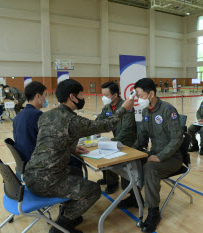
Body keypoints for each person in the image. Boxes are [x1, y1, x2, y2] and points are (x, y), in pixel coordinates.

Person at [23, 79, 134, 233]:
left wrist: (71, 147)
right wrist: (123, 109)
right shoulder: (73, 120)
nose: (83, 97)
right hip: (47, 182)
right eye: (81, 94)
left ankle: (69, 212)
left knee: (76, 172)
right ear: (72, 97)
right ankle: (61, 226)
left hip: (30, 174)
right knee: (94, 190)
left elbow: (51, 140)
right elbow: (107, 125)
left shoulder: (46, 116)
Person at [119, 78, 183, 232]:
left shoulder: (168, 110)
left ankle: (153, 212)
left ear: (151, 94)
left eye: (140, 96)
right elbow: (143, 135)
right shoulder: (147, 111)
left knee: (150, 169)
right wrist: (132, 152)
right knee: (131, 162)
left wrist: (160, 156)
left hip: (172, 157)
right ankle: (135, 198)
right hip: (155, 153)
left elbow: (177, 138)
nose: (138, 100)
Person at [96, 81, 137, 195]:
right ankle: (107, 177)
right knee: (102, 149)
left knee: (108, 152)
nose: (104, 98)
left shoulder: (126, 106)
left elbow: (127, 129)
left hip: (128, 141)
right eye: (103, 95)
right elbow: (98, 121)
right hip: (117, 139)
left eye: (106, 95)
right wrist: (95, 131)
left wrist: (112, 142)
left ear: (114, 95)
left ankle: (112, 183)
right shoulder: (108, 107)